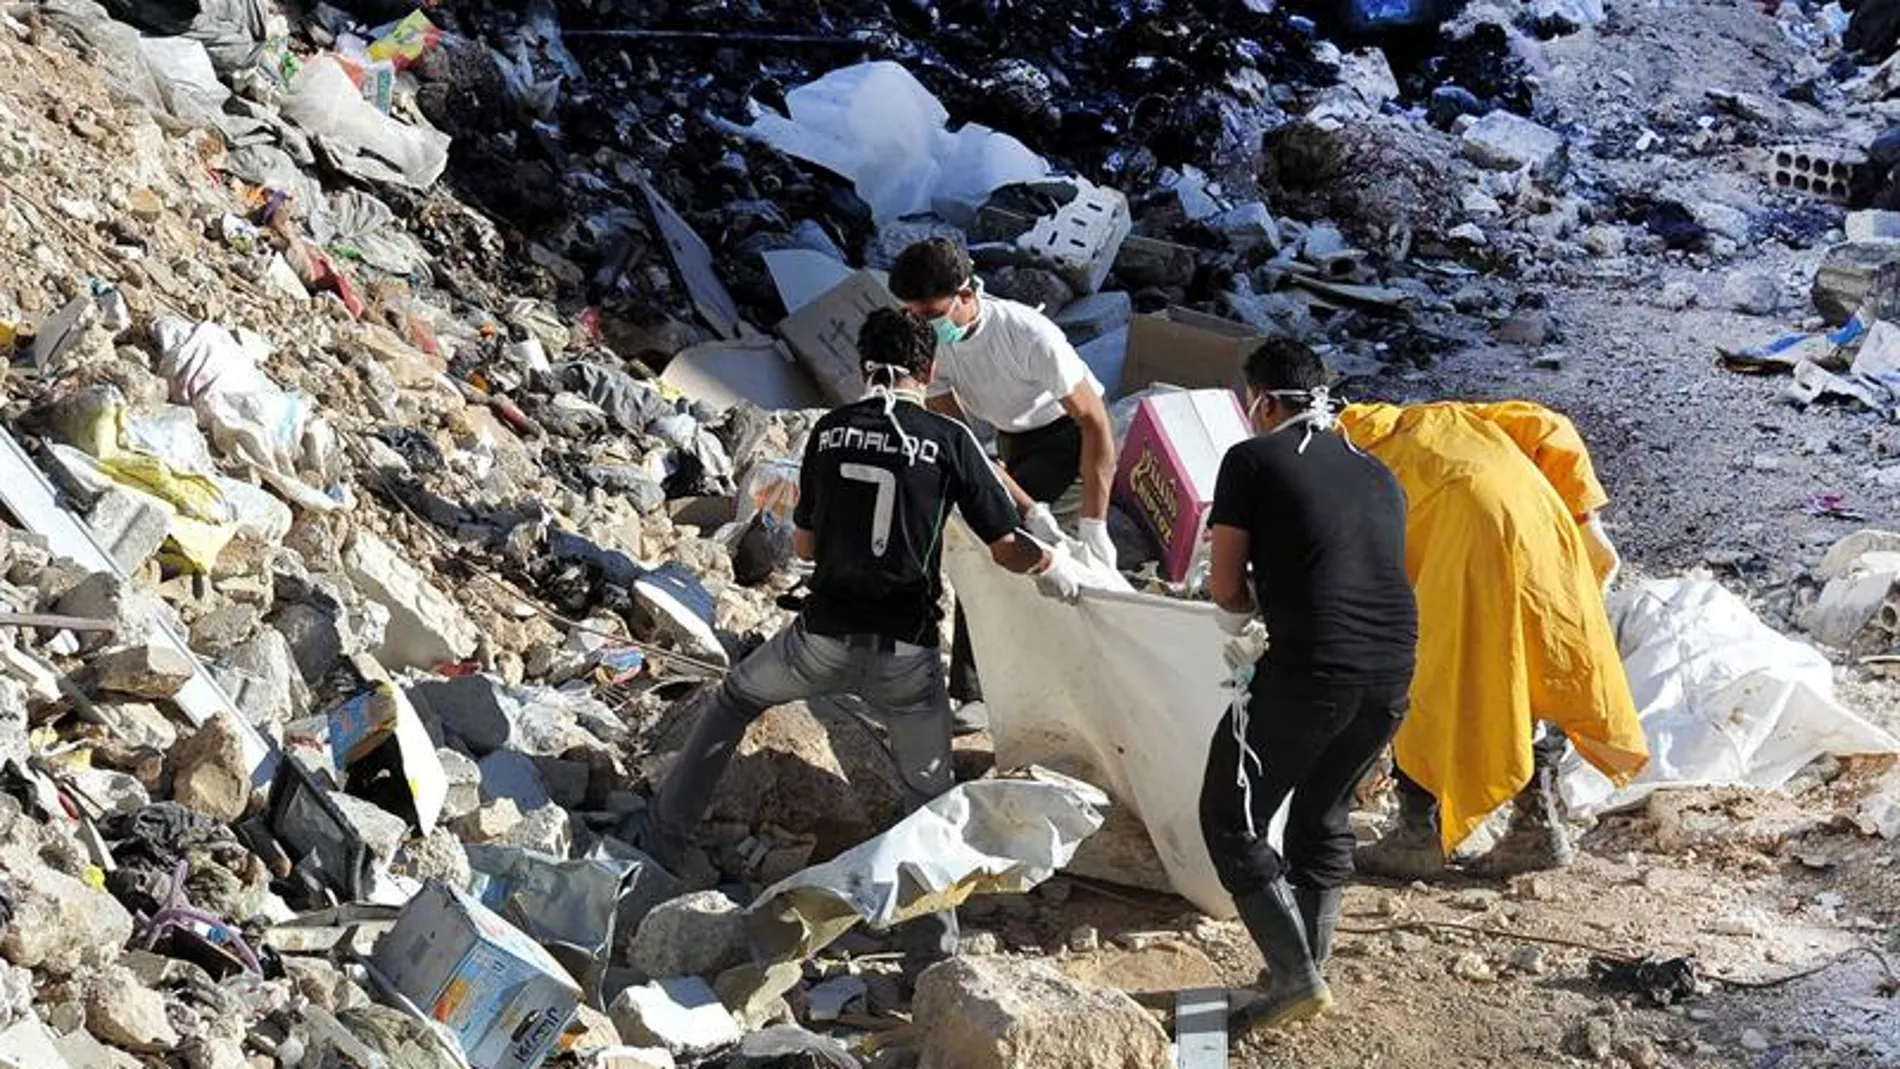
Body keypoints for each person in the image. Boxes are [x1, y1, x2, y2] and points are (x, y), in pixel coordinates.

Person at [642, 307, 1084, 968]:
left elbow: (804, 542)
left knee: (734, 699)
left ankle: (660, 842)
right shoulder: (949, 439)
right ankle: (929, 953)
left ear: (861, 365)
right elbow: (1005, 547)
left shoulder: (830, 429)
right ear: (928, 369)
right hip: (906, 653)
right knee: (925, 800)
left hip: (819, 639)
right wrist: (1057, 568)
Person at [1198, 339, 1418, 1030]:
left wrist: (1257, 608)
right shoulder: (1377, 471)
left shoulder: (1251, 458)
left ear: (1260, 398)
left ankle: (1293, 978)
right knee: (1321, 814)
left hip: (1312, 669)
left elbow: (1227, 587)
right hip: (1392, 671)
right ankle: (1306, 972)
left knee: (1229, 816)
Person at [1338, 400, 1649, 880]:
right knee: (1529, 676)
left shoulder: (1341, 460)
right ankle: (1538, 828)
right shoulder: (1443, 417)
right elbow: (1551, 427)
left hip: (1469, 548)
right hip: (1541, 530)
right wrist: (1587, 517)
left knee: (1420, 677)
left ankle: (1418, 836)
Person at [889, 238, 1118, 734]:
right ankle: (980, 688)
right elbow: (959, 438)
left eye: (933, 314)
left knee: (1011, 537)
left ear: (966, 293)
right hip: (1011, 441)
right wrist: (1012, 493)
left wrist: (1096, 524)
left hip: (1067, 436)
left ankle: (1000, 689)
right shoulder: (933, 344)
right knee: (984, 531)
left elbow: (1096, 424)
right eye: (915, 315)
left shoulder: (1028, 333)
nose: (925, 326)